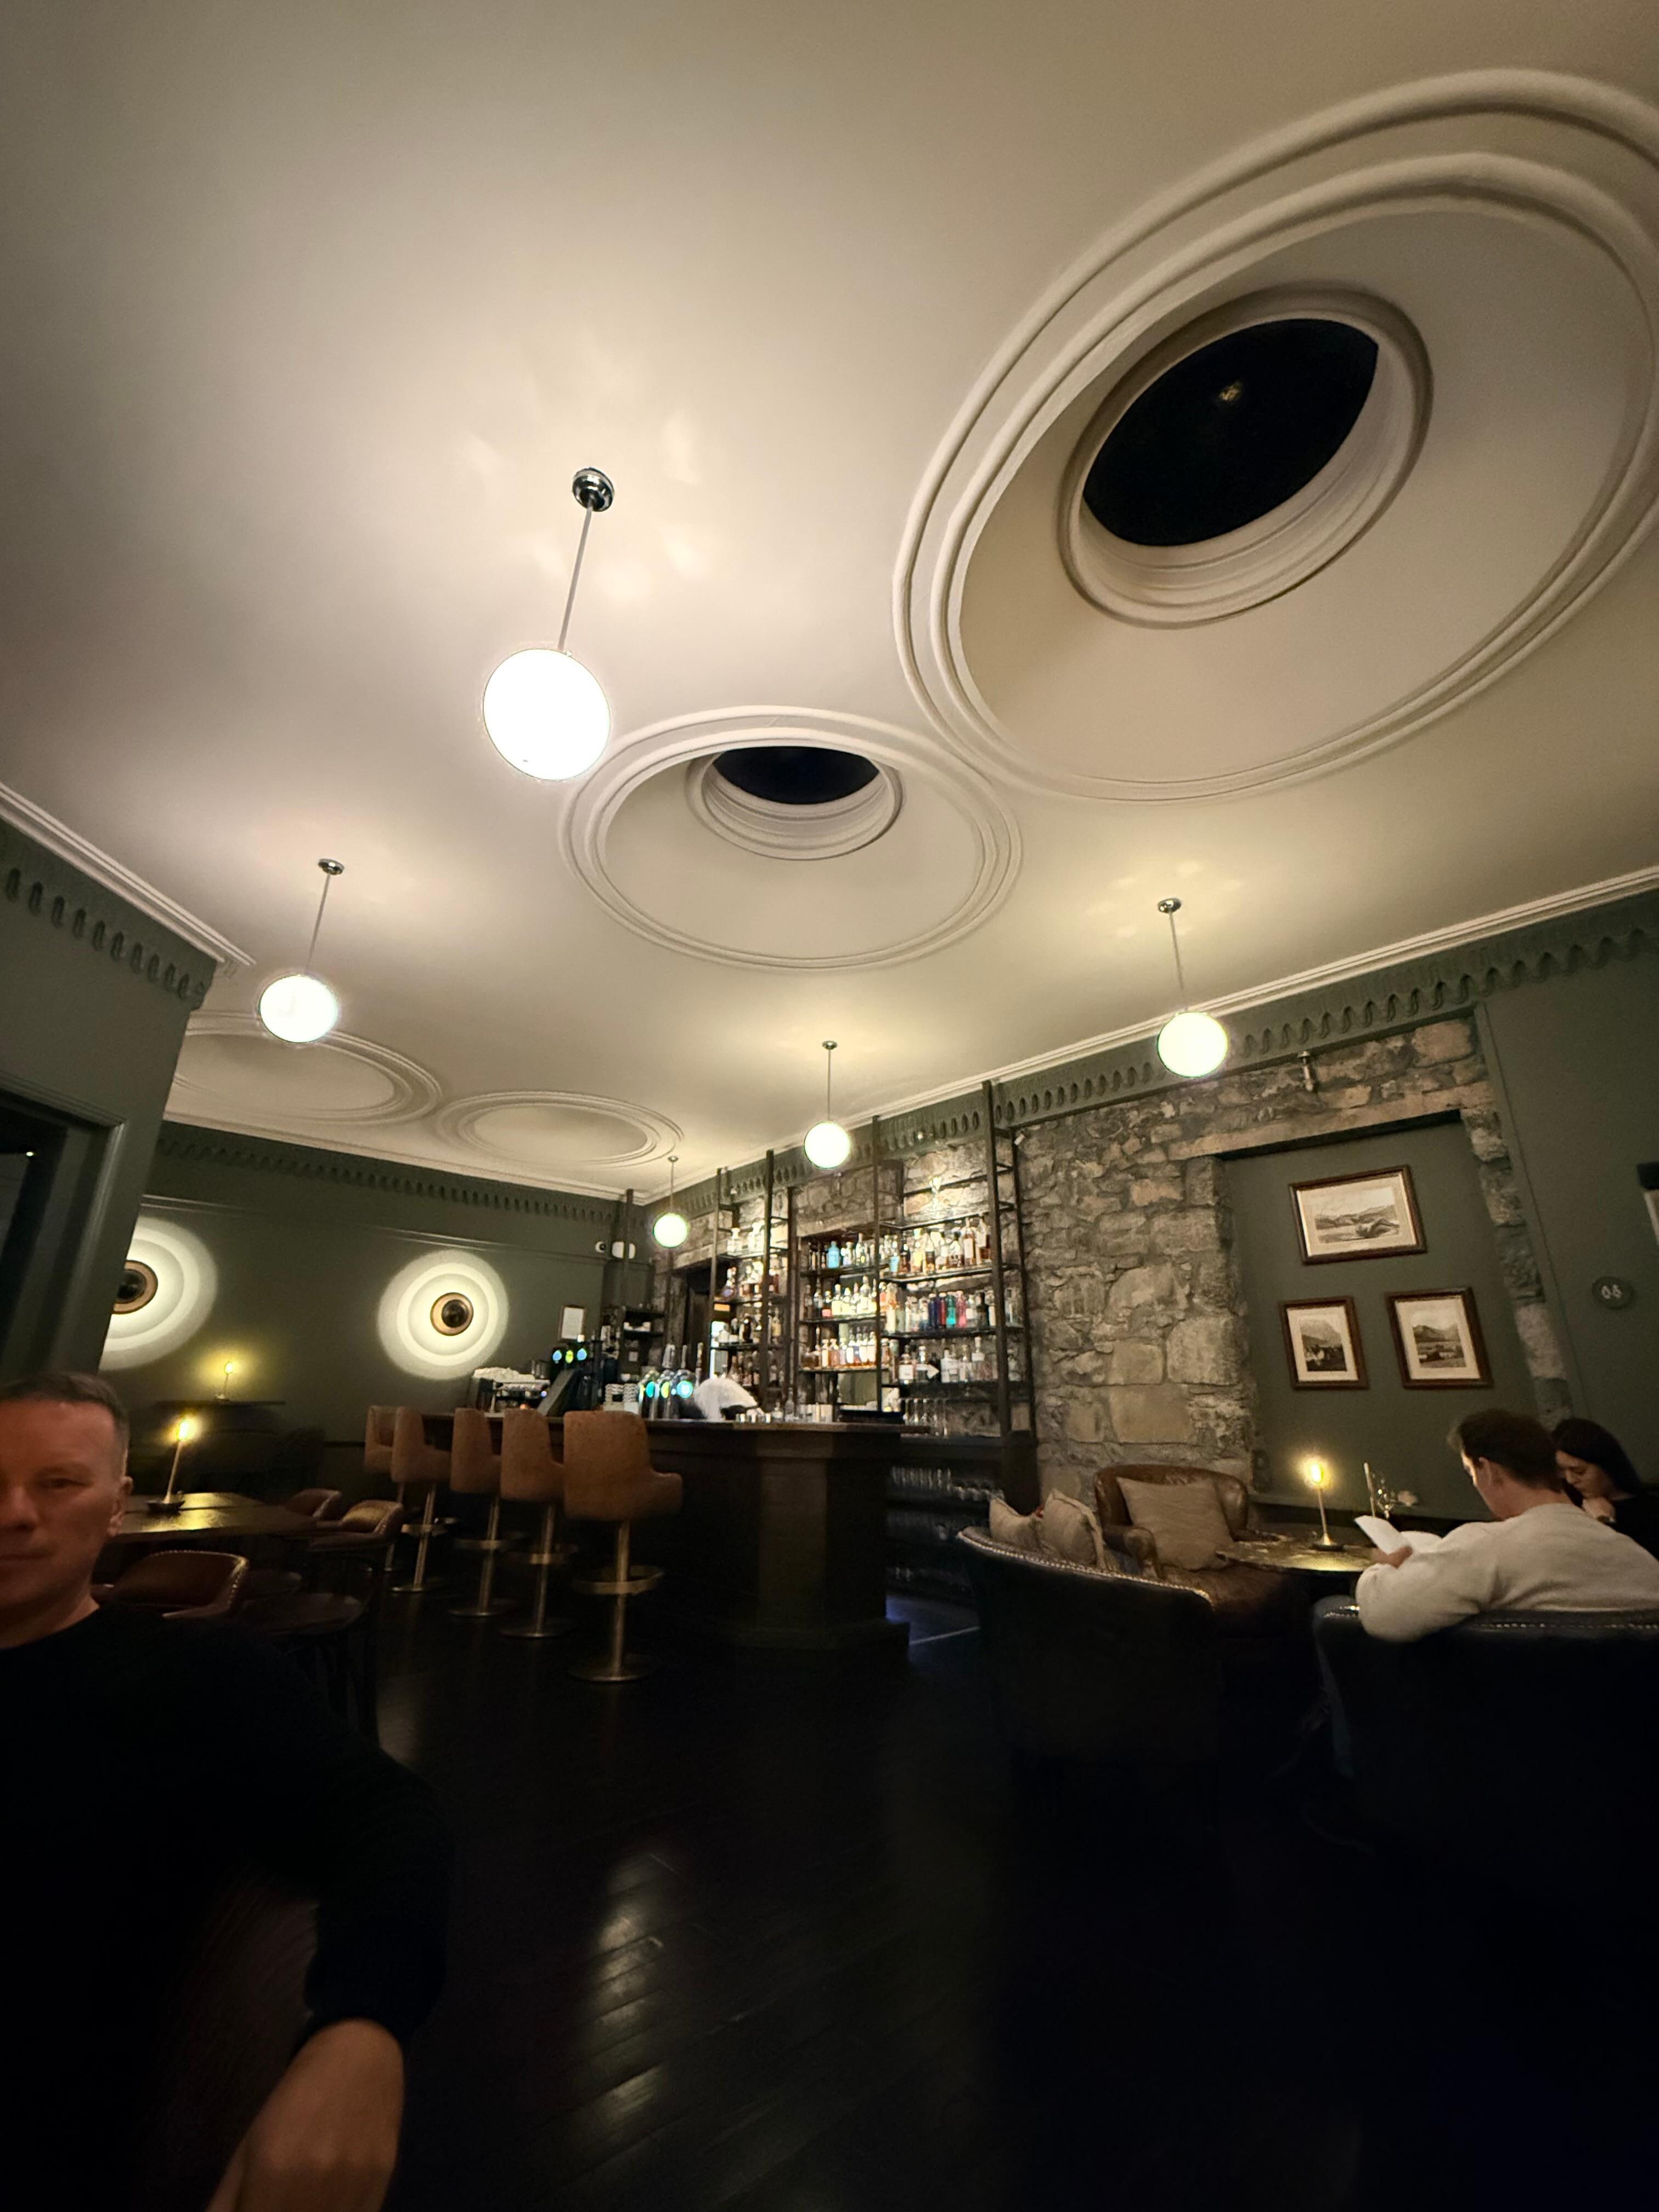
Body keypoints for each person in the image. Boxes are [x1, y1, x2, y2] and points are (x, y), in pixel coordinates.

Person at [0, 1372, 452, 2210]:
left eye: (58, 1483)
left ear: (118, 1506)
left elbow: (387, 1817)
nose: (14, 1514)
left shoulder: (188, 1677)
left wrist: (361, 2028)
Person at [1357, 1407, 1659, 1641]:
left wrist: (1385, 1568)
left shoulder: (1485, 1548)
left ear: (1488, 1470)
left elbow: (1385, 1614)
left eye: (1470, 1473)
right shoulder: (1635, 1555)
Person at [1554, 1415, 1659, 1559]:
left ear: (1606, 1464)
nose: (1570, 1480)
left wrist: (1604, 1523)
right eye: (1563, 1471)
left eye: (1579, 1471)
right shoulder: (1570, 1503)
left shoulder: (1650, 1513)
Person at [691, 1370, 759, 1422]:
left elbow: (714, 1421)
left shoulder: (702, 1397)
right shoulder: (706, 1386)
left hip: (740, 1408)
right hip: (750, 1405)